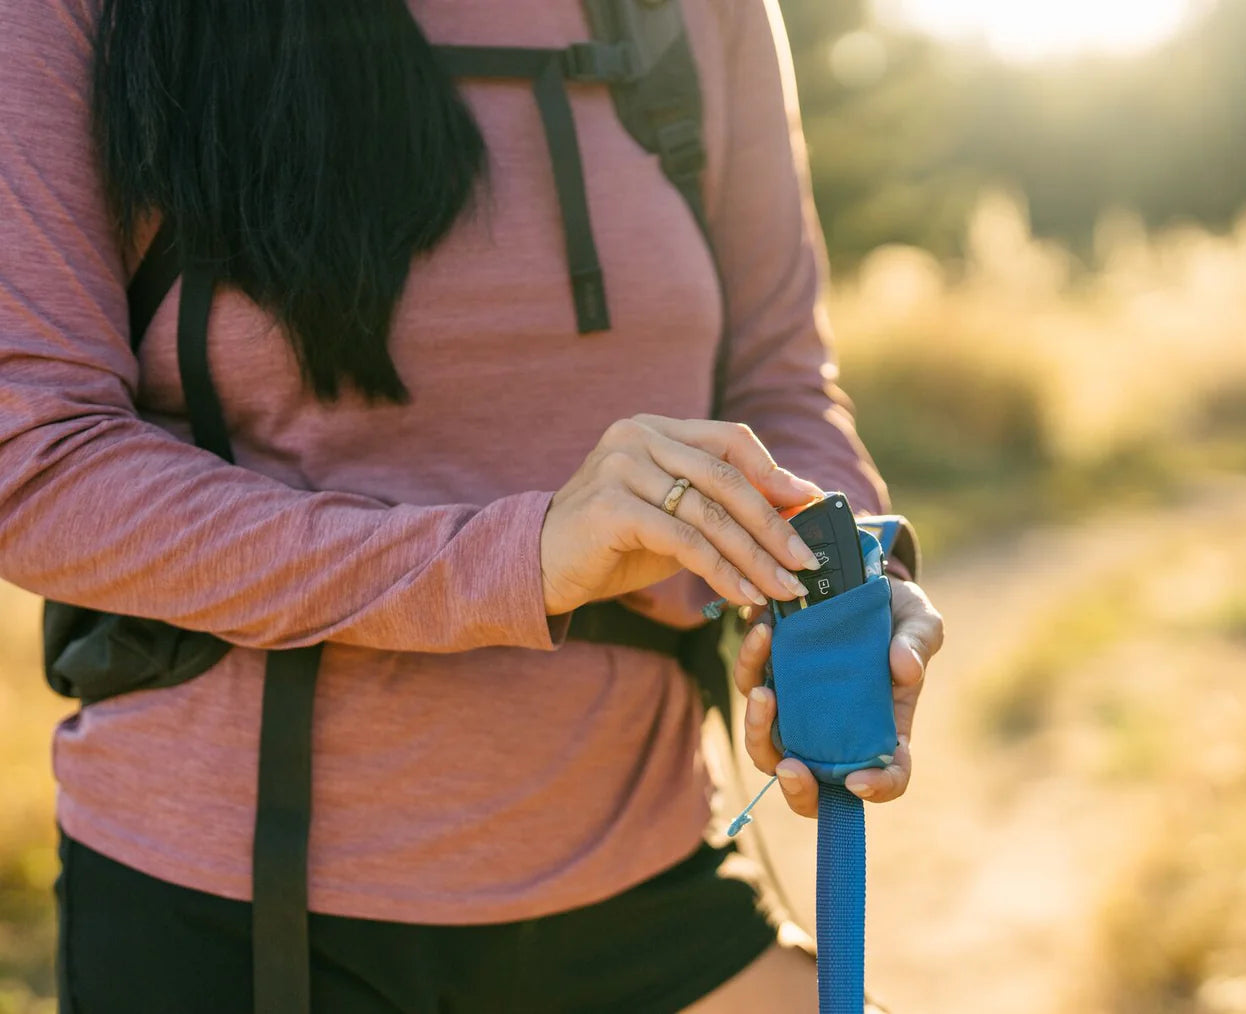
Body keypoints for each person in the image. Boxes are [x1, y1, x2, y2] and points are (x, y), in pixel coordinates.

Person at [0, 0, 945, 1009]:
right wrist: (518, 558)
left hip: (652, 863)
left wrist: (843, 584)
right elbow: (37, 462)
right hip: (230, 912)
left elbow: (779, 387)